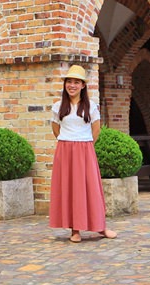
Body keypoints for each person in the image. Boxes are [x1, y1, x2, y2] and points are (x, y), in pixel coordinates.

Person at [49, 64, 118, 243]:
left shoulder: (91, 106)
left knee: (91, 188)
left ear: (83, 85)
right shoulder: (58, 107)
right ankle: (75, 230)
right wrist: (68, 142)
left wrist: (84, 145)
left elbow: (96, 130)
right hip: (65, 150)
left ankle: (101, 227)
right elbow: (56, 129)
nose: (72, 85)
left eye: (76, 82)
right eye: (69, 82)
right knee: (70, 189)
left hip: (85, 149)